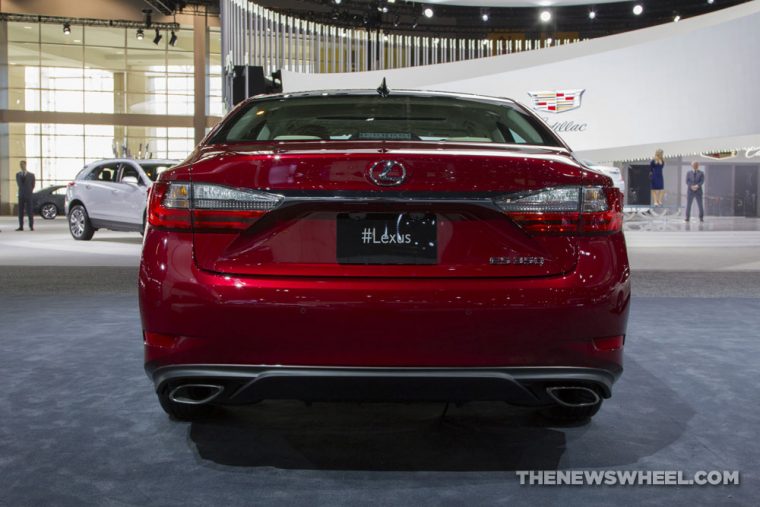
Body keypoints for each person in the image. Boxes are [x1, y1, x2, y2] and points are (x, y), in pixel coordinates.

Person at [16, 160, 35, 231]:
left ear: (25, 165)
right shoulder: (17, 174)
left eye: (22, 164)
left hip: (28, 195)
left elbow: (33, 185)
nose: (21, 166)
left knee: (30, 211)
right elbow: (18, 185)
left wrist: (29, 191)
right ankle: (21, 226)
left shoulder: (31, 175)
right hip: (21, 195)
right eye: (20, 165)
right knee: (20, 211)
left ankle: (31, 226)